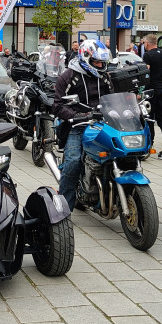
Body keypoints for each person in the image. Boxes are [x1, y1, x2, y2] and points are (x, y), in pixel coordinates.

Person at [54, 40, 113, 209]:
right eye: (97, 62)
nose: (101, 65)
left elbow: (113, 98)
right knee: (72, 162)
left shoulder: (105, 77)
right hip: (78, 126)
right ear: (85, 57)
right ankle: (64, 208)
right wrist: (77, 115)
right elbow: (57, 106)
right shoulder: (69, 76)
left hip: (103, 125)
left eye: (103, 62)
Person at [142, 35, 162, 159]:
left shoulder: (147, 55)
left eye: (144, 43)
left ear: (147, 43)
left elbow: (146, 72)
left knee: (149, 118)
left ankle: (149, 145)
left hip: (151, 89)